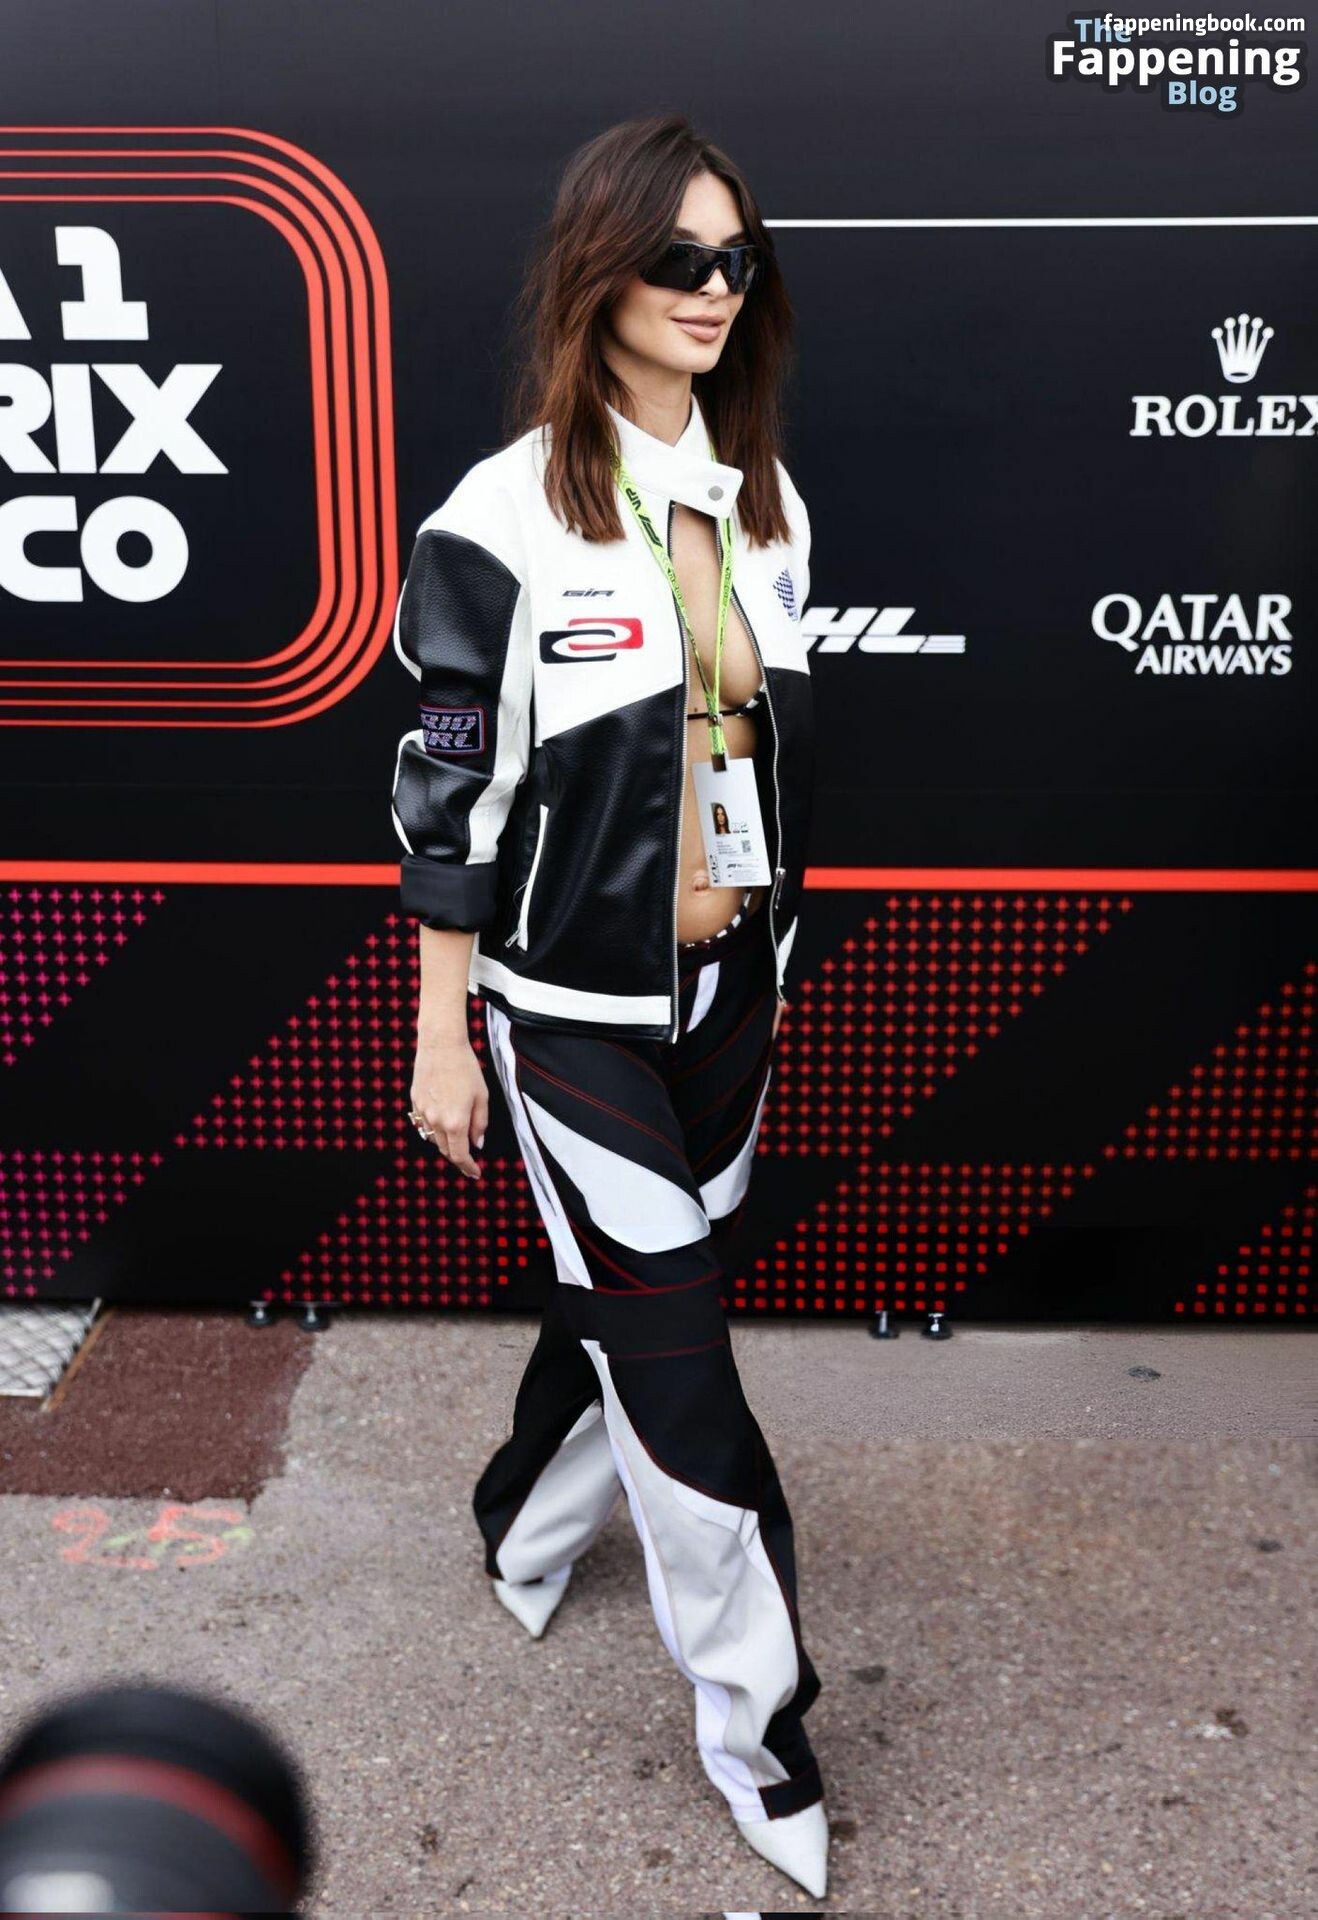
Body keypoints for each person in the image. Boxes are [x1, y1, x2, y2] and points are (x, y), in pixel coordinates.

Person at [390, 113, 824, 1899]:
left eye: (736, 261)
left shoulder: (766, 500)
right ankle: (764, 1738)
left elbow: (754, 752)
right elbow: (447, 799)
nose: (712, 290)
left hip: (726, 994)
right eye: (677, 259)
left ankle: (521, 1522)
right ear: (601, 272)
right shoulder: (498, 515)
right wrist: (442, 1034)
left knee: (629, 1312)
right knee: (684, 1362)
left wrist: (763, 958)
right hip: (563, 1009)